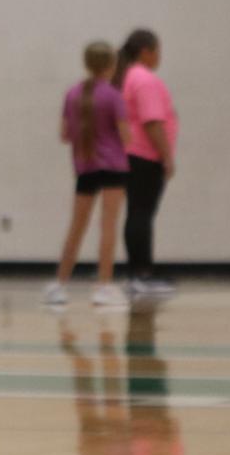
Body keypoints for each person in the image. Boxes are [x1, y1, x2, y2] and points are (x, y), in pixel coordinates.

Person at [43, 42, 130, 309]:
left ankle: (59, 284)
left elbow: (64, 135)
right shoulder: (114, 96)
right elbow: (126, 136)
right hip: (114, 166)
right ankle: (103, 287)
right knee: (108, 226)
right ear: (110, 65)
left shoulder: (72, 94)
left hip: (85, 166)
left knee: (76, 226)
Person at [117, 29, 177, 297]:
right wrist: (167, 156)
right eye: (157, 51)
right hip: (144, 156)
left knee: (137, 213)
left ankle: (138, 273)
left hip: (132, 155)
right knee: (142, 214)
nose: (159, 56)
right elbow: (152, 122)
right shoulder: (144, 79)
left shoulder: (127, 76)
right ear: (145, 51)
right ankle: (142, 274)